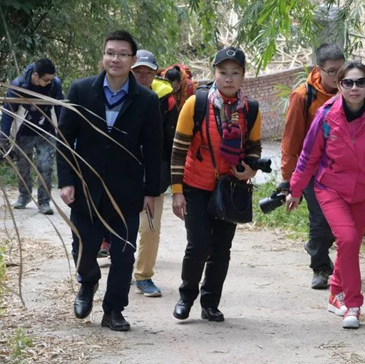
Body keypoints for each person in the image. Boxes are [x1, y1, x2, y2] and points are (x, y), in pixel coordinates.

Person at [57, 30, 162, 332]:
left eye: (123, 54)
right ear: (103, 56)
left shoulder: (146, 100)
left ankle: (114, 310)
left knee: (124, 253)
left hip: (127, 191)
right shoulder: (81, 91)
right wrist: (66, 180)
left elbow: (154, 150)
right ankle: (87, 283)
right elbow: (64, 140)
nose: (115, 59)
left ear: (132, 59)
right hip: (86, 188)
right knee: (84, 247)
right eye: (111, 53)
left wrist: (151, 192)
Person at [286, 61, 365, 329]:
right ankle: (353, 304)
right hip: (330, 188)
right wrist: (295, 189)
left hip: (364, 193)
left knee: (351, 245)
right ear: (339, 85)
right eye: (348, 82)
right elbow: (308, 156)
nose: (354, 87)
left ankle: (335, 294)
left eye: (360, 82)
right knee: (347, 239)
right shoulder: (325, 116)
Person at [170, 46, 262, 323]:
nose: (229, 79)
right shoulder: (196, 103)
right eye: (223, 72)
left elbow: (254, 149)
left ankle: (210, 303)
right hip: (195, 185)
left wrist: (249, 170)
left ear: (243, 76)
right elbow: (178, 150)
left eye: (235, 73)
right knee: (198, 246)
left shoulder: (251, 109)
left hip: (230, 189)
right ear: (215, 73)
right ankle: (186, 296)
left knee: (221, 249)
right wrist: (177, 193)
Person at [280, 43, 345, 289]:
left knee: (338, 220)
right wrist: (287, 179)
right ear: (319, 69)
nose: (338, 76)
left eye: (341, 69)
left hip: (342, 170)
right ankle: (320, 267)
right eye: (332, 71)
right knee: (320, 219)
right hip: (312, 170)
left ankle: (316, 247)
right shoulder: (302, 96)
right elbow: (291, 139)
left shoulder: (349, 91)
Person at [130, 50, 178, 297]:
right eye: (138, 71)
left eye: (148, 72)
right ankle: (123, 268)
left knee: (150, 227)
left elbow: (173, 140)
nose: (143, 76)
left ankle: (144, 276)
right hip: (122, 173)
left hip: (153, 174)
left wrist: (171, 177)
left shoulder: (166, 99)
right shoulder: (116, 95)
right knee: (120, 226)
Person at [0, 58, 64, 215]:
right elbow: (7, 113)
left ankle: (44, 201)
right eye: (46, 79)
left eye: (51, 79)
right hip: (24, 131)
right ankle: (24, 195)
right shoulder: (19, 85)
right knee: (23, 166)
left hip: (46, 131)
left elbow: (61, 109)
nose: (49, 82)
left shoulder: (55, 84)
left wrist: (64, 133)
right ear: (36, 75)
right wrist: (3, 137)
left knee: (46, 166)